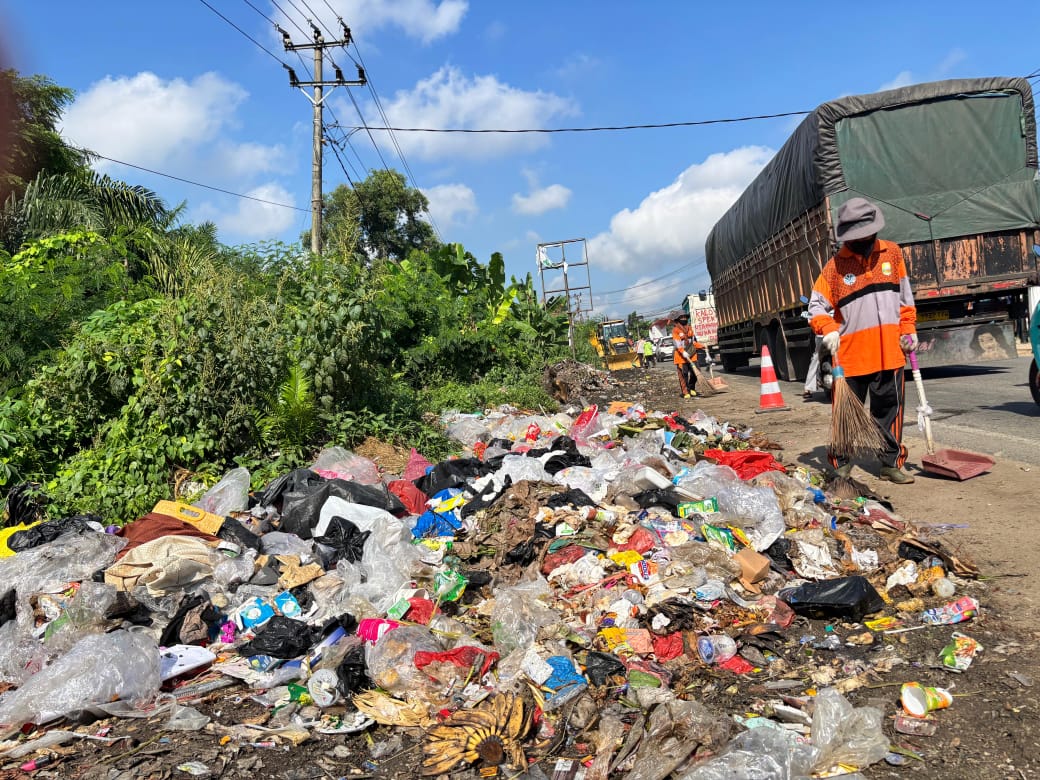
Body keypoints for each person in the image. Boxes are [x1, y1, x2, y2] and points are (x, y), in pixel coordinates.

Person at [808, 197, 918, 484]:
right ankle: (841, 464)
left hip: (890, 352)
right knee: (844, 416)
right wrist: (828, 328)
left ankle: (890, 464)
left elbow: (905, 299)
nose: (863, 239)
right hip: (850, 357)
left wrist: (908, 329)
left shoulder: (892, 255)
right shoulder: (834, 267)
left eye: (867, 232)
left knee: (890, 413)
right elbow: (815, 307)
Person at [671, 311, 698, 398]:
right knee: (683, 375)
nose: (684, 319)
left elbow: (694, 341)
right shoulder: (675, 330)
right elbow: (677, 343)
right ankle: (685, 392)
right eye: (681, 317)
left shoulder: (690, 328)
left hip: (691, 354)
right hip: (680, 356)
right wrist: (683, 352)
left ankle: (692, 388)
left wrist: (704, 347)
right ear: (678, 319)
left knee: (696, 372)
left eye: (685, 317)